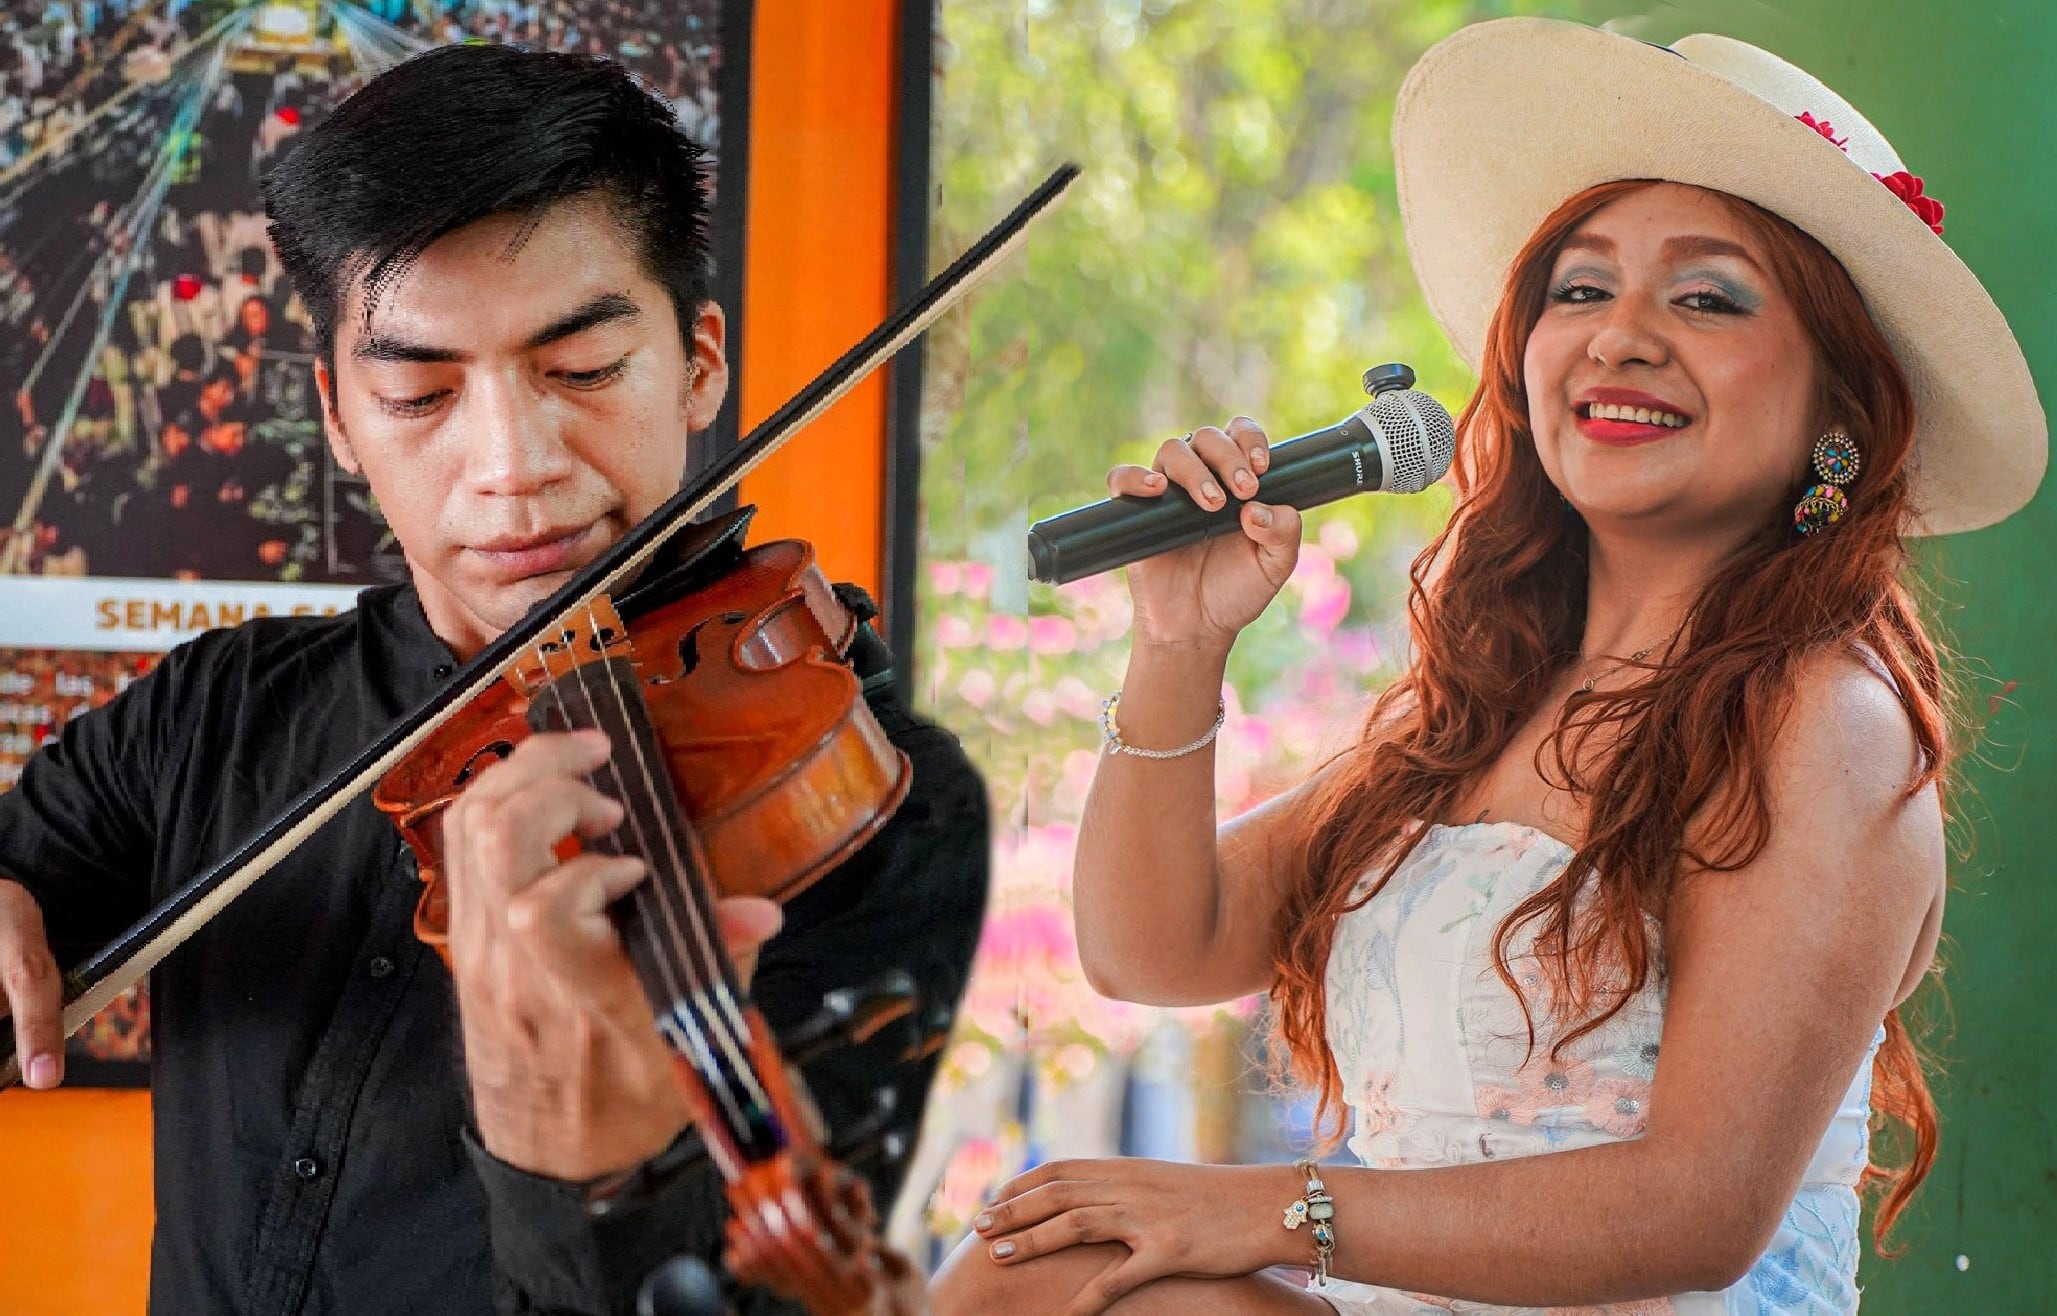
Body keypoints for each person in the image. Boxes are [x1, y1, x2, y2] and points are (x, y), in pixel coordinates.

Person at [932, 18, 2044, 1315]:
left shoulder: (1826, 719)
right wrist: (1179, 644)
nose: (1620, 334)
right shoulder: (1483, 704)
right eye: (1580, 289)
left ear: (1839, 414)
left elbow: (1695, 1206)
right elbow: (1153, 948)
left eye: (1705, 295)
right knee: (1039, 1265)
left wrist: (1249, 1212)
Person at [0, 44, 989, 1316]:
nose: (511, 466)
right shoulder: (210, 714)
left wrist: (576, 1171)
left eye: (581, 370)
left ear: (697, 361)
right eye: (417, 392)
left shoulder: (878, 822)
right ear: (340, 417)